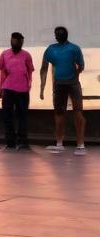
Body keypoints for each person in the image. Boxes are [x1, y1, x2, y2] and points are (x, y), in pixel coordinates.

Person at [40, 26, 87, 155]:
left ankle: (81, 145)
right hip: (59, 84)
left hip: (73, 84)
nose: (59, 35)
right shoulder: (51, 49)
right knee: (59, 113)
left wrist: (75, 75)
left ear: (66, 34)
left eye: (61, 33)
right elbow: (43, 68)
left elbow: (81, 66)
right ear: (55, 36)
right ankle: (59, 143)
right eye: (57, 34)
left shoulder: (74, 48)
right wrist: (42, 88)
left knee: (78, 112)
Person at [0, 31, 33, 151]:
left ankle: (23, 142)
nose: (16, 43)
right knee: (7, 116)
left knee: (22, 116)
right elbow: (2, 73)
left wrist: (28, 87)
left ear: (22, 42)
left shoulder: (26, 55)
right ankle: (10, 142)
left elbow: (29, 73)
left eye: (19, 41)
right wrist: (0, 89)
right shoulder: (4, 54)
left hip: (23, 90)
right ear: (11, 41)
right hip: (7, 89)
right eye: (14, 40)